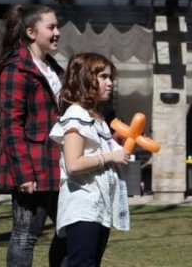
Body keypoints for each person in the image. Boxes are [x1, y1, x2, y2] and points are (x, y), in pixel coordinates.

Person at [0, 4, 66, 267]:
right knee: (25, 236)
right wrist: (23, 175)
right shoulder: (16, 69)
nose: (57, 32)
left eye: (57, 26)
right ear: (32, 32)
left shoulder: (53, 68)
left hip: (58, 165)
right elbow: (11, 125)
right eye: (52, 27)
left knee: (67, 232)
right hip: (31, 167)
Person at [49, 53, 129, 267]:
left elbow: (96, 153)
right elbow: (74, 164)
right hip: (83, 207)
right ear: (85, 79)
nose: (110, 83)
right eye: (103, 77)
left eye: (111, 78)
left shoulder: (99, 119)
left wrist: (115, 146)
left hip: (99, 207)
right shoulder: (76, 115)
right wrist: (110, 155)